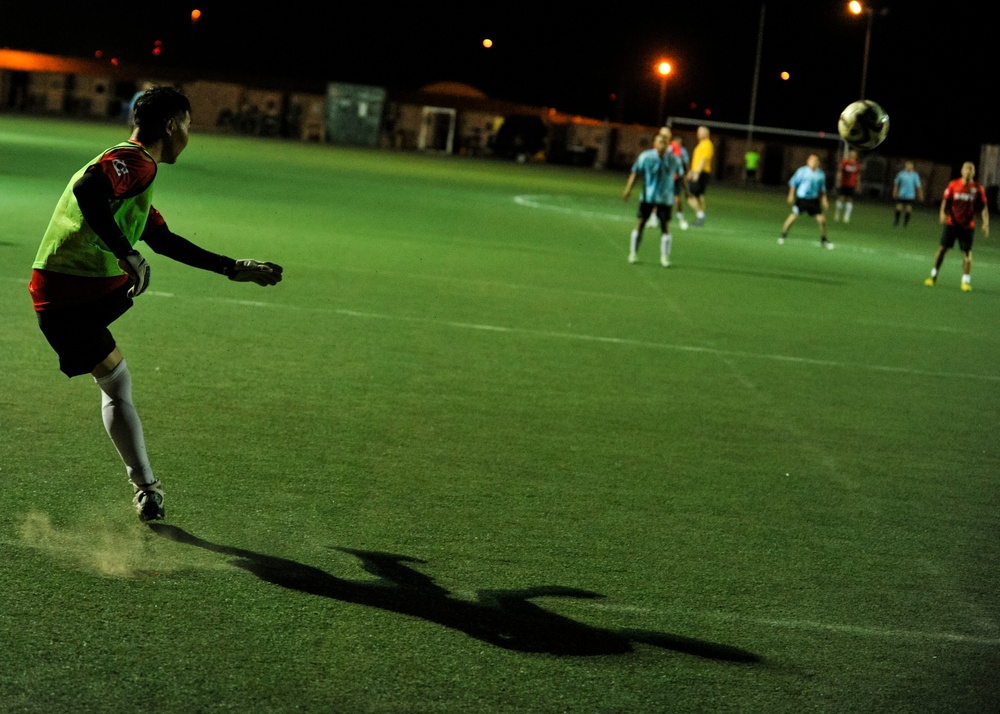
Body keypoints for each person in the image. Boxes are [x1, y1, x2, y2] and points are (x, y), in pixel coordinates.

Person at [28, 86, 284, 522]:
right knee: (115, 383)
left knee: (114, 381)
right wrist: (125, 252)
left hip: (57, 294)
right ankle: (146, 487)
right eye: (187, 123)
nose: (189, 133)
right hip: (76, 289)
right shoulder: (137, 161)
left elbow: (160, 238)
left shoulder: (133, 175)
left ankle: (147, 488)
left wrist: (229, 267)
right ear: (170, 124)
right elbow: (91, 188)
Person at [924, 161, 989, 291]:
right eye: (966, 169)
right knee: (942, 249)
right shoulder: (953, 185)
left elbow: (983, 207)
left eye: (971, 169)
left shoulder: (978, 188)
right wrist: (942, 213)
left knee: (967, 253)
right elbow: (946, 201)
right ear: (962, 171)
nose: (969, 171)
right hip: (952, 223)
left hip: (967, 226)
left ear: (974, 173)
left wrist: (985, 223)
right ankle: (933, 276)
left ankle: (965, 282)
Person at [623, 133, 683, 267]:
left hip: (665, 199)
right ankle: (633, 253)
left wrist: (687, 192)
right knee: (640, 223)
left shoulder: (674, 159)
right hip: (647, 197)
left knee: (665, 227)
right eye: (660, 143)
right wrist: (628, 189)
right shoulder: (646, 156)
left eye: (665, 143)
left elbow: (681, 175)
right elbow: (635, 172)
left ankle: (665, 257)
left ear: (668, 145)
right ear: (655, 144)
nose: (663, 146)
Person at [780, 153, 833, 249]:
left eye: (815, 161)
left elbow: (822, 189)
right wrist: (791, 195)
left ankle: (824, 240)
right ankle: (783, 235)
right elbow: (793, 183)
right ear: (808, 162)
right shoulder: (802, 171)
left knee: (822, 221)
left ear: (818, 163)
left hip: (814, 200)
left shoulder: (820, 174)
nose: (813, 162)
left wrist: (824, 200)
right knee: (792, 218)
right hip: (802, 199)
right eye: (812, 160)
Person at [686, 126, 714, 226]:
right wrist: (691, 171)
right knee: (698, 195)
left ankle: (701, 215)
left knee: (689, 194)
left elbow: (703, 160)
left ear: (707, 134)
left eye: (701, 132)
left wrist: (697, 173)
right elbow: (697, 160)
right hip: (698, 172)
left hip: (701, 173)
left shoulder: (707, 144)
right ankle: (701, 217)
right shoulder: (701, 144)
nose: (698, 134)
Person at [833, 148, 863, 223]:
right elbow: (840, 172)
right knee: (841, 198)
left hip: (852, 185)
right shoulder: (844, 163)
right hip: (844, 184)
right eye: (852, 155)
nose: (853, 156)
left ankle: (846, 217)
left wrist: (858, 185)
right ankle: (837, 214)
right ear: (849, 155)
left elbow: (858, 175)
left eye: (854, 155)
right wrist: (838, 181)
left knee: (849, 200)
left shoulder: (857, 165)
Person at [892, 161, 924, 227]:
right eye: (908, 165)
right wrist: (894, 192)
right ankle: (896, 221)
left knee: (908, 209)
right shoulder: (901, 174)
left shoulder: (915, 175)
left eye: (911, 165)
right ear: (906, 166)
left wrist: (920, 194)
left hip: (910, 196)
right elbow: (896, 184)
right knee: (898, 208)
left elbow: (918, 186)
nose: (910, 166)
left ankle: (905, 223)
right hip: (901, 194)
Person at [669, 133, 690, 229]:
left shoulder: (681, 151)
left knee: (677, 199)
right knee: (659, 198)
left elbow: (684, 162)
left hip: (675, 177)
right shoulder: (669, 148)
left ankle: (680, 218)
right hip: (668, 177)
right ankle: (653, 218)